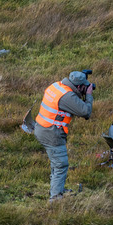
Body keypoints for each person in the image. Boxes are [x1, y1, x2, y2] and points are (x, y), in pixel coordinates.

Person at [33, 70, 94, 201]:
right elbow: (85, 112)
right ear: (78, 87)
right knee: (61, 164)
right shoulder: (67, 96)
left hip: (42, 127)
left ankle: (57, 188)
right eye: (84, 87)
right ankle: (55, 198)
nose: (86, 89)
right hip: (51, 133)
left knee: (56, 163)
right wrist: (88, 96)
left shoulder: (57, 86)